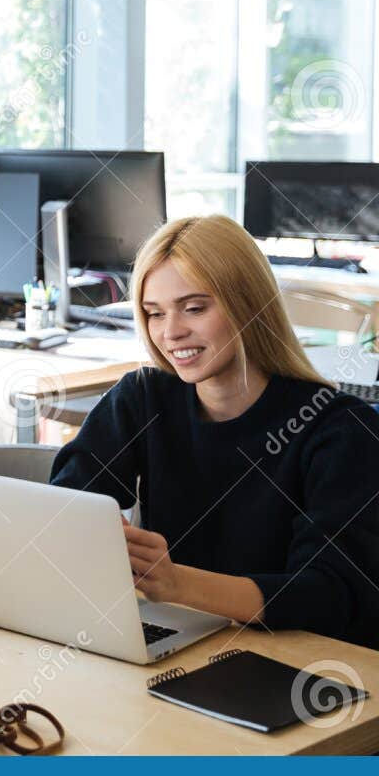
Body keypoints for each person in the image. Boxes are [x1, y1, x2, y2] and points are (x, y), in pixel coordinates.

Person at [51, 214, 379, 648]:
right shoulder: (144, 397)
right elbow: (65, 502)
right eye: (154, 313)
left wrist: (176, 583)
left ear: (249, 304)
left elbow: (327, 594)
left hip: (297, 662)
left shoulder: (341, 431)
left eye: (194, 308)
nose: (171, 333)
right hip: (188, 642)